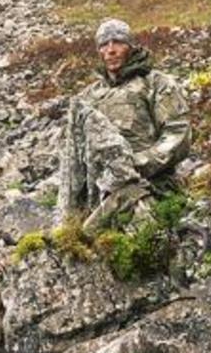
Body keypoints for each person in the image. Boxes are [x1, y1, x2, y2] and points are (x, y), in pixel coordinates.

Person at [55, 18, 191, 230]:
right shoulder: (87, 97)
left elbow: (177, 135)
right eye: (104, 44)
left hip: (150, 186)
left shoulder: (156, 84)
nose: (111, 50)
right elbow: (72, 151)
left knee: (133, 238)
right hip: (97, 190)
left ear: (131, 46)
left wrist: (137, 164)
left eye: (117, 42)